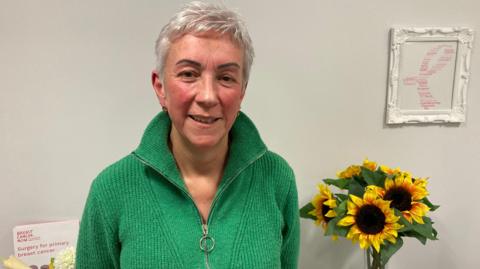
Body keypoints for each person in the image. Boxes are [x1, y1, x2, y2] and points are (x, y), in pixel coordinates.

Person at [76, 1, 300, 268]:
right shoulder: (110, 190)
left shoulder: (277, 179)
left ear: (242, 91)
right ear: (160, 88)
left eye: (226, 77)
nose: (207, 96)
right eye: (189, 74)